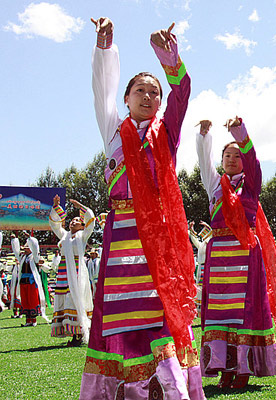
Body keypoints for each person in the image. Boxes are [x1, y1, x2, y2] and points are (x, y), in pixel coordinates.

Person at [82, 17, 203, 400]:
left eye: (154, 92)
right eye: (140, 90)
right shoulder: (114, 131)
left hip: (159, 237)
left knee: (158, 313)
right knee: (120, 313)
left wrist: (169, 58)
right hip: (121, 238)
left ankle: (170, 389)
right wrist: (104, 49)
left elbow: (181, 93)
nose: (148, 97)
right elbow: (102, 91)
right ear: (127, 98)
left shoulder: (166, 132)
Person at [196, 117, 276, 389]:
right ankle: (224, 368)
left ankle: (242, 369)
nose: (232, 159)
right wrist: (204, 137)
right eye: (227, 155)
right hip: (219, 255)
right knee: (220, 312)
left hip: (245, 255)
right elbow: (203, 163)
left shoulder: (251, 185)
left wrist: (240, 133)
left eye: (237, 155)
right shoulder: (214, 186)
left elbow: (255, 161)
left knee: (243, 312)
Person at [48, 195, 95, 346]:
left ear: (82, 226)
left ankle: (79, 333)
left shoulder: (83, 236)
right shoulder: (64, 236)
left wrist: (80, 206)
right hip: (64, 272)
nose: (73, 222)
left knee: (76, 299)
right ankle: (69, 331)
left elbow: (91, 221)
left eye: (77, 221)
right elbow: (55, 225)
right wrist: (56, 206)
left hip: (77, 271)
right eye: (72, 220)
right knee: (65, 299)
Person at [9, 233, 50, 327]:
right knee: (25, 300)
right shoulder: (23, 257)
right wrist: (14, 240)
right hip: (23, 282)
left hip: (32, 281)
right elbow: (16, 251)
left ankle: (34, 320)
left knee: (32, 300)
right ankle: (28, 320)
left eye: (26, 248)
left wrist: (29, 238)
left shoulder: (34, 257)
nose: (24, 250)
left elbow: (36, 247)